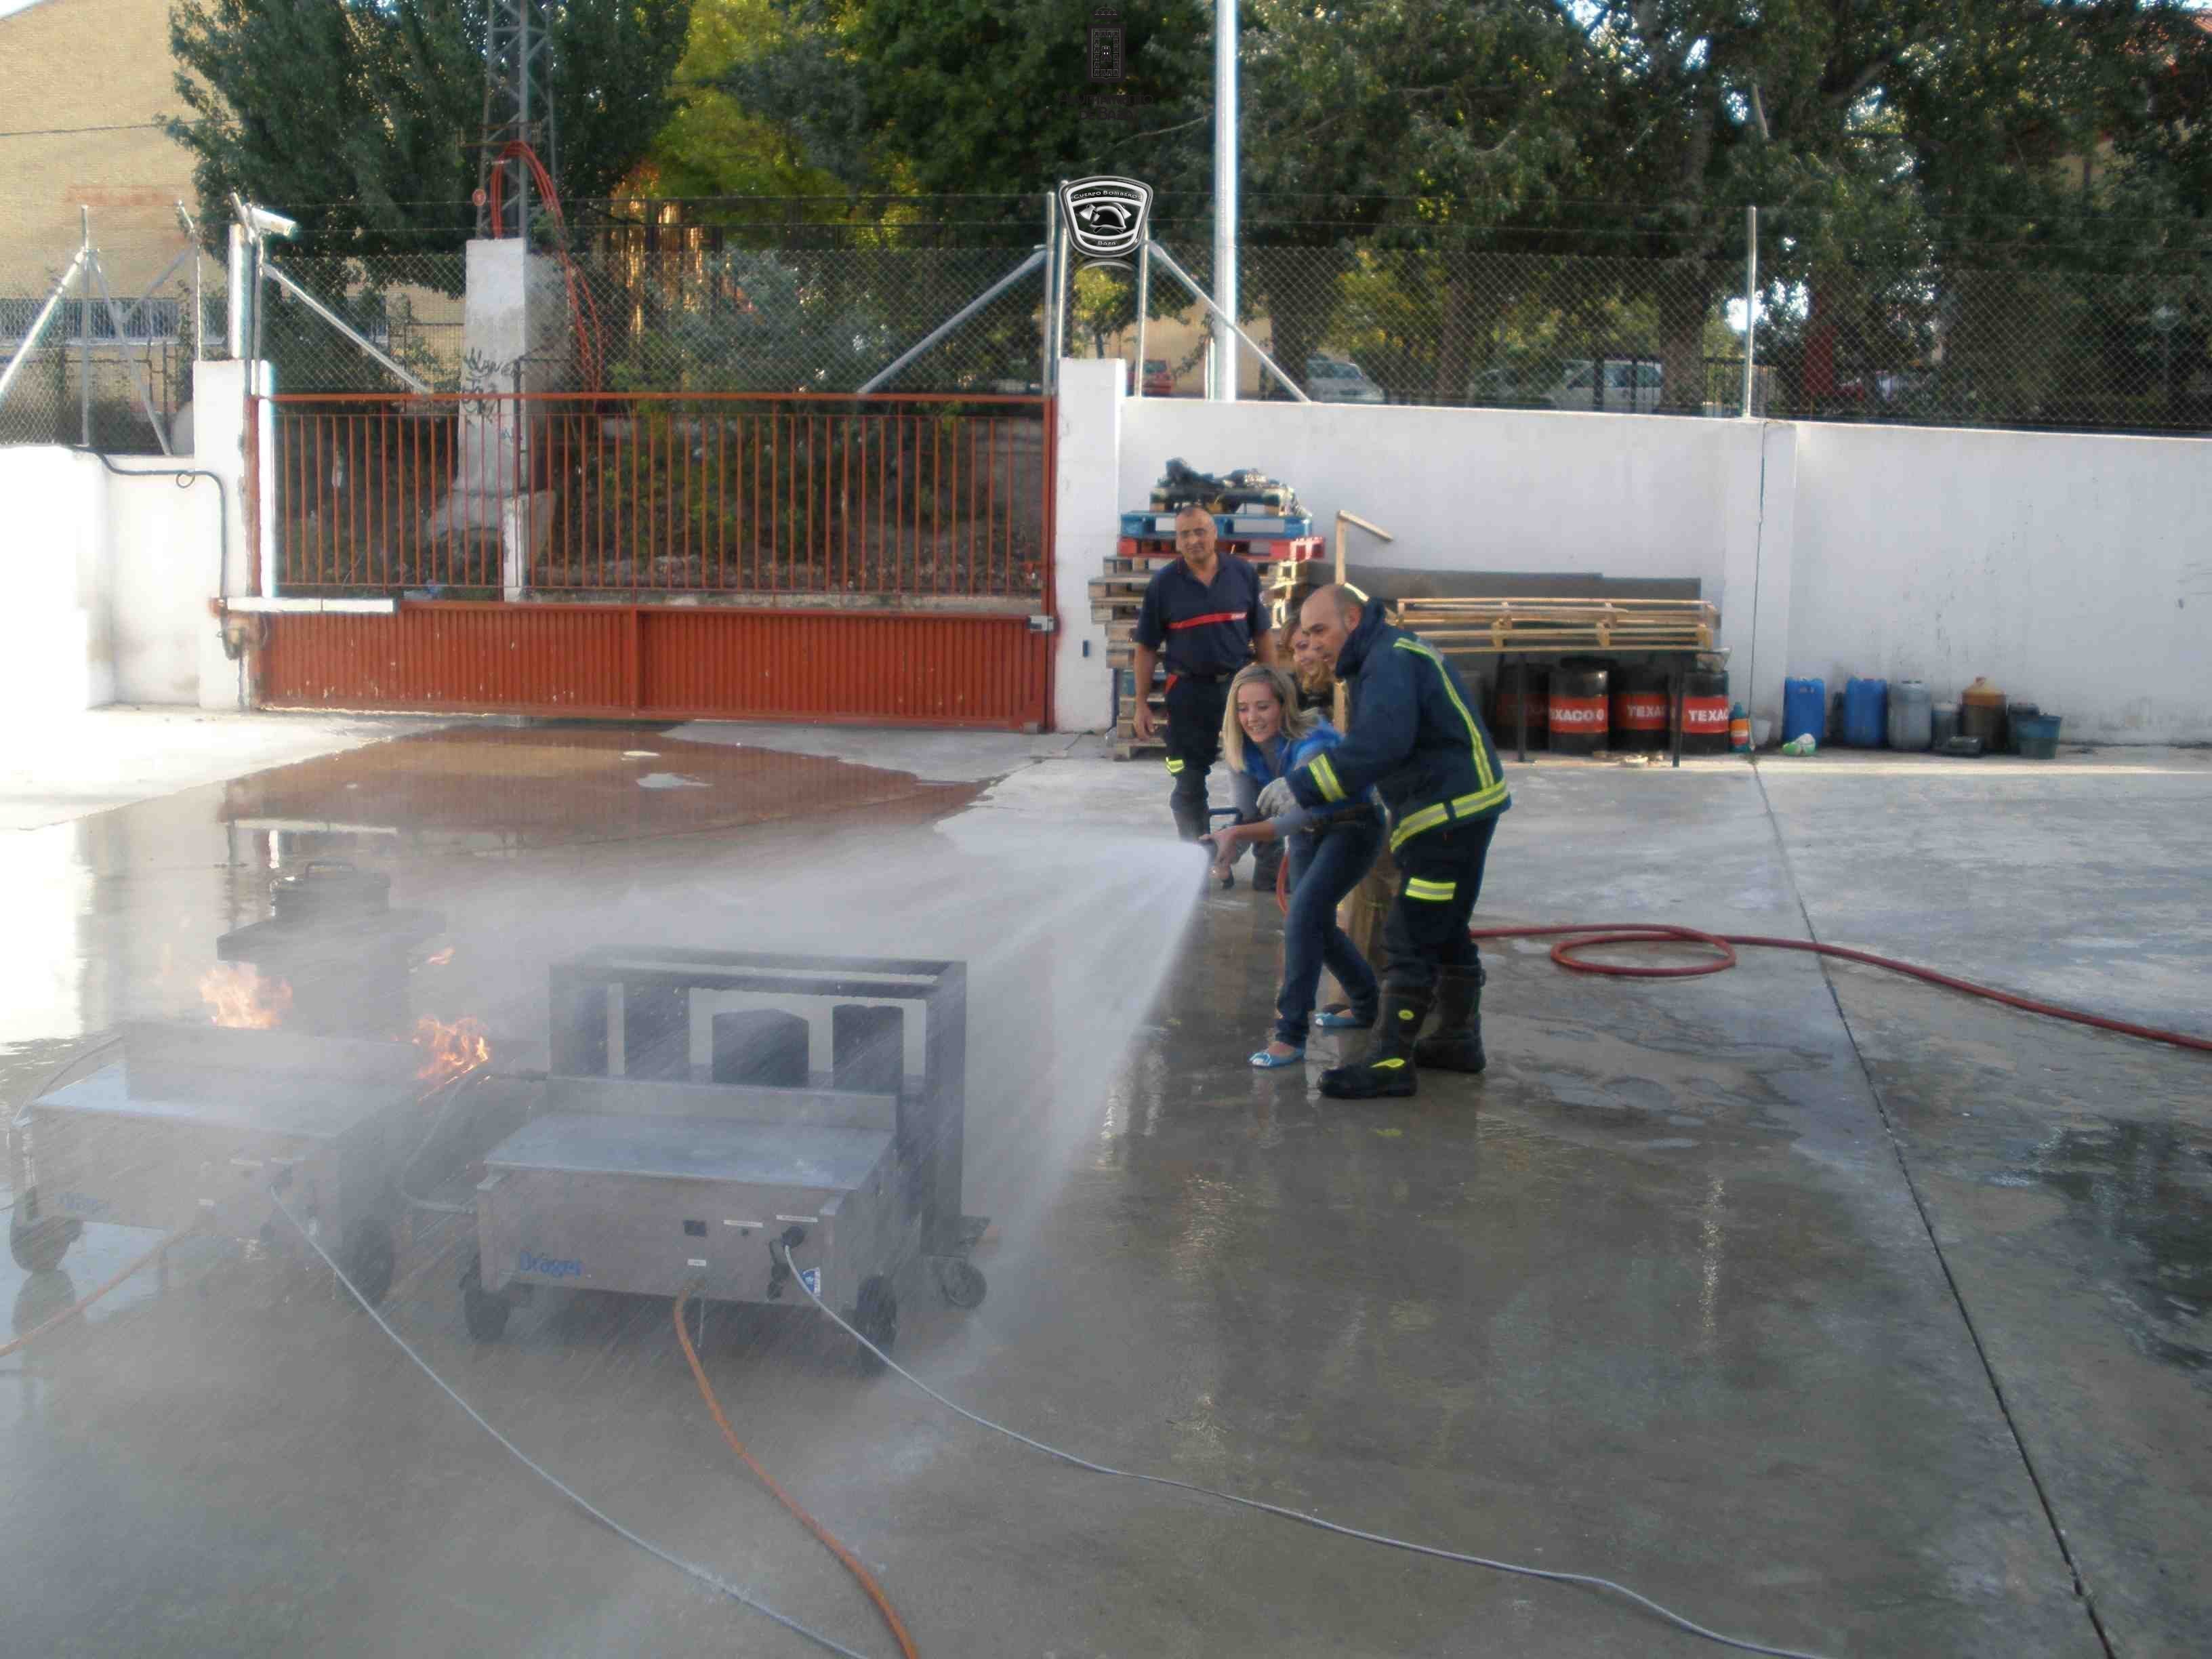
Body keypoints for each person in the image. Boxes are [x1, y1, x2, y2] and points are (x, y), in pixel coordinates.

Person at [1258, 584, 1511, 1100]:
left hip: (1447, 813)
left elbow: (1381, 744)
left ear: (1352, 619)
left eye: (1321, 630)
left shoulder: (1387, 660)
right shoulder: (1384, 654)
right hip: (1457, 809)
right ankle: (1459, 1040)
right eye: (1306, 634)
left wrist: (1303, 786)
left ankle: (1391, 1060)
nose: (1313, 644)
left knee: (1409, 933)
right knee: (1446, 927)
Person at [1204, 664, 1384, 1068]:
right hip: (1307, 835)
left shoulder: (1312, 742)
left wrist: (1237, 835)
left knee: (1303, 918)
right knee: (1314, 923)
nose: (1252, 718)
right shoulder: (1242, 752)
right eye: (1243, 709)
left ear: (1284, 705)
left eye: (1263, 706)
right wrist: (1225, 850)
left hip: (1352, 826)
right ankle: (1366, 1004)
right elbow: (1249, 814)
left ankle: (1290, 1034)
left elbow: (1291, 818)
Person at [1129, 505, 1277, 849]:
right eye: (1185, 534)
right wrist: (1140, 704)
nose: (1194, 540)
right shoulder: (1163, 585)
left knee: (1263, 774)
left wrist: (1273, 688)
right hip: (1188, 694)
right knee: (1188, 780)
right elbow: (1146, 648)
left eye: (1200, 531)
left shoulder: (1242, 574)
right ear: (1176, 541)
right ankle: (1197, 857)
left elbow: (1263, 635)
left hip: (1240, 691)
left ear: (1215, 533)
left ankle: (1268, 865)